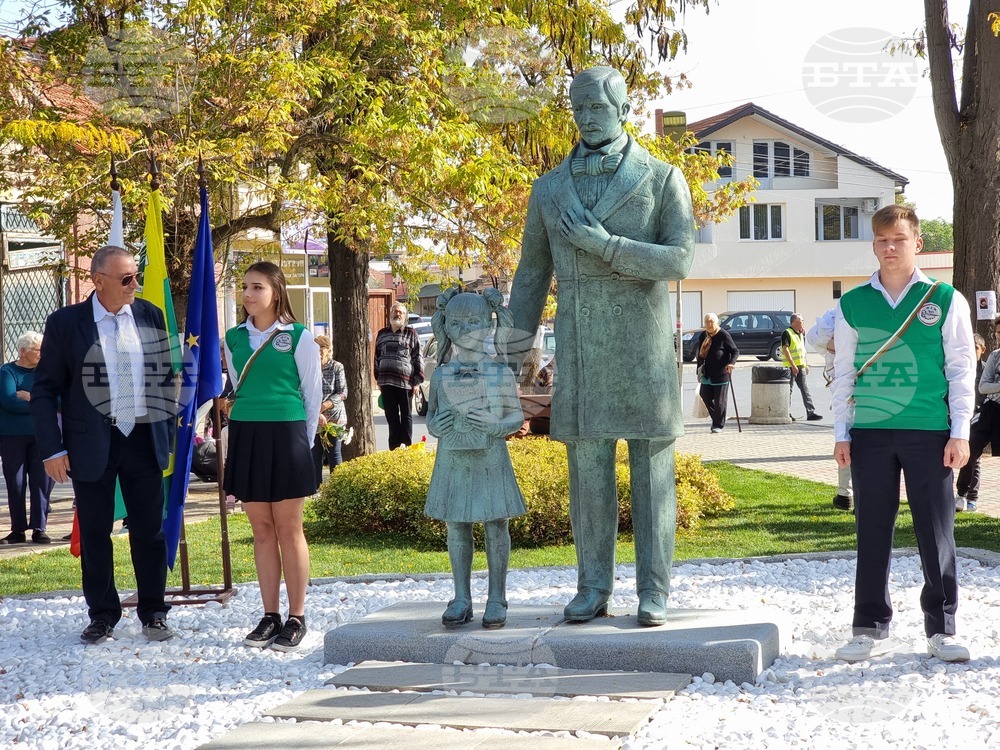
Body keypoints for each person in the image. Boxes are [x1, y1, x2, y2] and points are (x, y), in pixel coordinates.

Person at [508, 66, 695, 626]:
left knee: (652, 474)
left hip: (643, 347)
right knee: (587, 474)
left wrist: (606, 245)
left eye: (596, 106)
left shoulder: (662, 178)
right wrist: (511, 354)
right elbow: (531, 275)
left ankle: (654, 589)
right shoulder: (549, 188)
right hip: (582, 347)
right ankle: (592, 586)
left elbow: (679, 259)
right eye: (578, 107)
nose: (586, 117)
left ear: (623, 109)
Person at [832, 204, 975, 663]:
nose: (889, 247)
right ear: (874, 245)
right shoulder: (852, 302)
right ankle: (869, 628)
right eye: (881, 240)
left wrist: (960, 432)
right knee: (871, 530)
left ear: (918, 243)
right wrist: (841, 432)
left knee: (936, 532)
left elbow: (961, 369)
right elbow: (843, 371)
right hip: (870, 432)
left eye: (898, 239)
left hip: (930, 431)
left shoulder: (945, 298)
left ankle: (942, 629)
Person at [30, 245, 177, 644]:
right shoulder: (66, 323)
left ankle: (154, 612)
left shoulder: (150, 315)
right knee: (95, 532)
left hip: (143, 438)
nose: (135, 285)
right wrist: (52, 449)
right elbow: (44, 390)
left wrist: (168, 433)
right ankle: (103, 614)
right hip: (90, 443)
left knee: (149, 531)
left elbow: (165, 377)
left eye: (136, 276)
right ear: (98, 281)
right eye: (127, 279)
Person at [223, 261, 322, 651]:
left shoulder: (299, 336)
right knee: (261, 530)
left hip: (287, 434)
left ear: (276, 292)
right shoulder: (233, 338)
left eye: (257, 287)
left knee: (289, 529)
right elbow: (238, 386)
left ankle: (296, 617)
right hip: (247, 433)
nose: (248, 294)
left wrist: (303, 443)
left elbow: (312, 395)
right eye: (245, 287)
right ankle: (270, 616)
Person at [424, 288, 526, 629]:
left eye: (473, 322)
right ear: (446, 327)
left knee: (496, 523)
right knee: (456, 524)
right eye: (456, 323)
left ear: (488, 325)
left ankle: (497, 597)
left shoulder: (500, 373)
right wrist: (435, 426)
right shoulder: (441, 375)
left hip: (490, 456)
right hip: (453, 458)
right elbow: (431, 415)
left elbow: (516, 416)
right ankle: (461, 597)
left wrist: (497, 426)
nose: (465, 329)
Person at [0, 331, 55, 544]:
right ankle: (18, 529)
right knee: (16, 482)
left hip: (42, 435)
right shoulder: (8, 372)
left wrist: (28, 396)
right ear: (23, 351)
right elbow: (8, 401)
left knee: (42, 481)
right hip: (12, 436)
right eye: (37, 350)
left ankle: (39, 527)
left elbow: (57, 400)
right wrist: (40, 402)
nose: (42, 354)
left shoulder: (46, 372)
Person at [806, 308, 853, 511]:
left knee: (848, 438)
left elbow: (817, 338)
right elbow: (814, 337)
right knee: (847, 439)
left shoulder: (839, 314)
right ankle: (847, 494)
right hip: (848, 386)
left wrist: (836, 345)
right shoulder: (841, 312)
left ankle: (846, 493)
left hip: (852, 385)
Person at [956, 325, 1000, 513]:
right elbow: (983, 387)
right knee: (971, 449)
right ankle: (962, 495)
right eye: (998, 332)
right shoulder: (995, 356)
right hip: (989, 411)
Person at [374, 302, 424, 449]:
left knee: (406, 416)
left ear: (405, 316)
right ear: (390, 314)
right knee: (391, 416)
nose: (397, 314)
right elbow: (377, 357)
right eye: (395, 311)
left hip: (405, 382)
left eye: (400, 312)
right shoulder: (382, 333)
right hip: (386, 382)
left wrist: (417, 382)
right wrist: (378, 379)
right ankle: (394, 449)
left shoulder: (411, 333)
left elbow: (418, 357)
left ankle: (406, 447)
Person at [311, 334, 348, 484]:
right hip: (315, 415)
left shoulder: (337, 367)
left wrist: (325, 405)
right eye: (316, 347)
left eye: (322, 347)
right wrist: (316, 412)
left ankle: (337, 486)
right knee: (315, 454)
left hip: (335, 416)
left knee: (334, 453)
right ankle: (315, 487)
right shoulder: (309, 367)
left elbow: (343, 392)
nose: (318, 350)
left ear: (329, 350)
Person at [695, 313, 739, 434]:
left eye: (712, 322)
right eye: (707, 322)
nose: (709, 324)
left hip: (721, 373)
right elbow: (700, 355)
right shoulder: (703, 335)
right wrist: (698, 371)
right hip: (707, 373)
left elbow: (735, 351)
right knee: (704, 395)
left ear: (717, 323)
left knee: (720, 401)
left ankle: (718, 424)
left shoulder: (723, 335)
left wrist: (731, 363)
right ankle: (717, 418)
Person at [782, 313, 822, 421]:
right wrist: (793, 365)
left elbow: (803, 350)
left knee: (805, 389)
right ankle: (786, 413)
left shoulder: (800, 333)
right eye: (801, 321)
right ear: (795, 321)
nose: (803, 322)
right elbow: (785, 350)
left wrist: (806, 364)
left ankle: (811, 412)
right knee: (788, 391)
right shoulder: (787, 333)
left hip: (801, 366)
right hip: (790, 367)